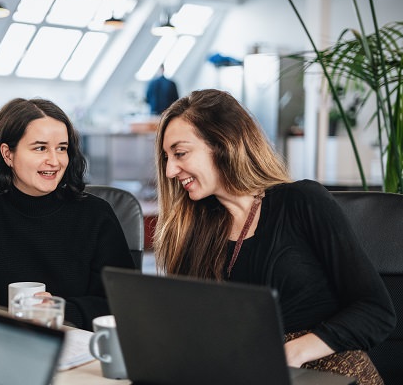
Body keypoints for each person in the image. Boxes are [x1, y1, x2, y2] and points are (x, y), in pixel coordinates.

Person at [154, 89, 396, 384]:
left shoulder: (301, 202)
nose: (169, 170)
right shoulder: (194, 229)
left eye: (180, 153)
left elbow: (376, 311)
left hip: (326, 372)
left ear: (224, 143)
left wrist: (290, 353)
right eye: (167, 158)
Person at [0, 97, 135, 331]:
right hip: (2, 344)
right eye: (40, 148)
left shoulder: (96, 215)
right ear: (8, 154)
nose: (54, 161)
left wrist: (60, 311)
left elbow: (125, 301)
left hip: (78, 346)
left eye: (62, 148)